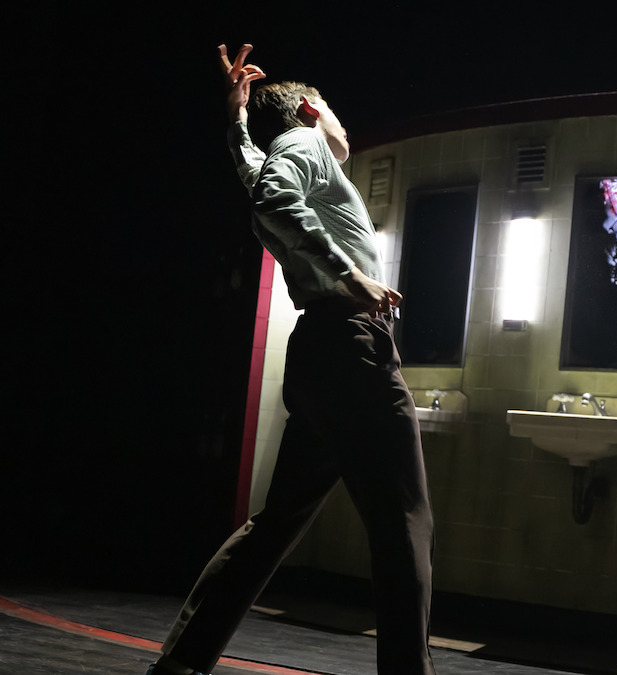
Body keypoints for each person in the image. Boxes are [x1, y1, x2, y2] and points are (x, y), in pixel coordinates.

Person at [146, 44, 436, 675]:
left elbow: (257, 177)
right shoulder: (306, 145)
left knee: (276, 523)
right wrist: (350, 274)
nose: (344, 127)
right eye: (333, 112)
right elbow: (274, 198)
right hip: (352, 348)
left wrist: (237, 122)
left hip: (321, 357)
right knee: (404, 522)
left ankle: (182, 663)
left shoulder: (290, 150)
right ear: (309, 110)